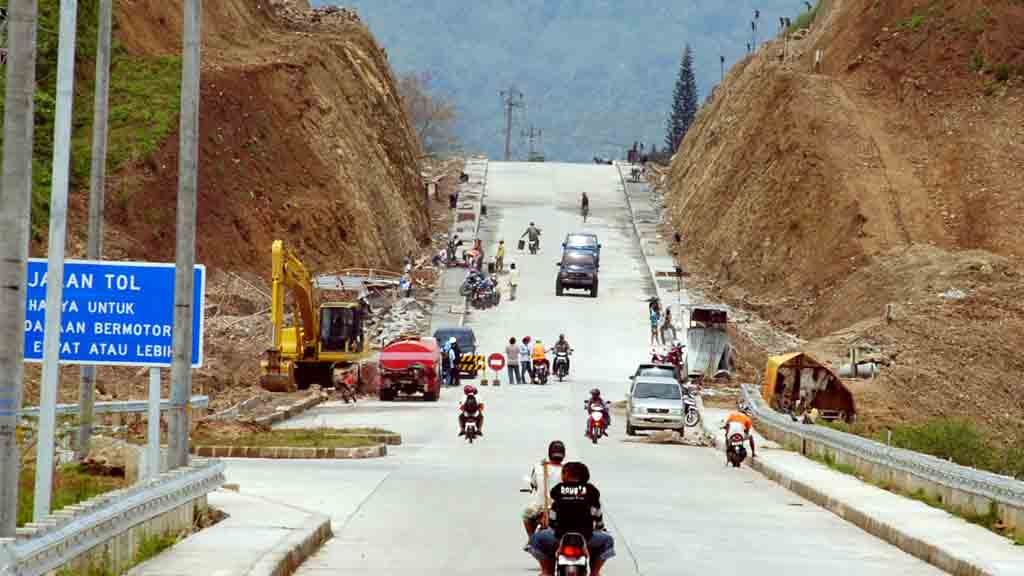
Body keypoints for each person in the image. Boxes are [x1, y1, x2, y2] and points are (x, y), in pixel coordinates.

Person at [526, 461, 615, 576]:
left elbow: (553, 518)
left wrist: (550, 526)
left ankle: (546, 572)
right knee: (607, 540)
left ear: (566, 475)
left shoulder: (558, 490)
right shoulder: (591, 491)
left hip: (558, 537)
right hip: (587, 537)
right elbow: (597, 515)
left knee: (536, 539)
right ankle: (595, 573)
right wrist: (600, 527)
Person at [522, 441, 566, 546]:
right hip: (562, 507)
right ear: (563, 455)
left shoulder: (539, 467)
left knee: (526, 515)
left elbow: (533, 483)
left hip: (541, 507)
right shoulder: (567, 469)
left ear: (549, 453)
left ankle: (531, 539)